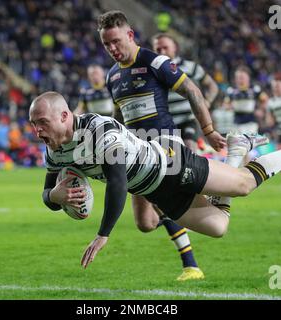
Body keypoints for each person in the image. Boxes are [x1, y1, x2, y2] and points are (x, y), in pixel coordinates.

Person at [29, 91, 281, 270]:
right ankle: (236, 151)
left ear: (65, 116)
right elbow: (47, 194)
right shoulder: (55, 151)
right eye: (33, 124)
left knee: (243, 186)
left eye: (42, 123)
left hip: (172, 164)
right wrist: (55, 197)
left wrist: (103, 233)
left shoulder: (99, 128)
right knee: (218, 226)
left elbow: (118, 181)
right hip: (156, 190)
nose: (37, 131)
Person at [98, 10, 227, 280]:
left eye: (116, 41)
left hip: (164, 146)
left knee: (164, 201)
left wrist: (209, 130)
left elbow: (192, 89)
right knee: (145, 224)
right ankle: (204, 201)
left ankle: (191, 264)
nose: (112, 49)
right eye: (106, 44)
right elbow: (119, 116)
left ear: (130, 35)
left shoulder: (154, 62)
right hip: (135, 152)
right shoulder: (112, 76)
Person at [152, 33, 219, 152]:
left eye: (165, 47)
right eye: (158, 49)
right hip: (165, 122)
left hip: (187, 119)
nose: (162, 51)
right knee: (171, 158)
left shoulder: (190, 67)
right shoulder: (152, 71)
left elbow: (212, 85)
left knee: (190, 149)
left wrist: (207, 101)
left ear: (175, 47)